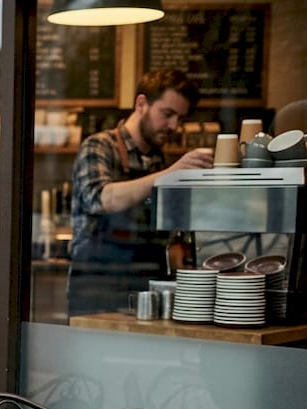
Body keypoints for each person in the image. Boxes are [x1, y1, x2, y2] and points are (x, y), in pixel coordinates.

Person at [67, 68, 213, 317]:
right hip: (95, 289)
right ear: (142, 103)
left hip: (145, 285)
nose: (174, 126)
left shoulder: (157, 160)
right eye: (167, 114)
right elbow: (99, 199)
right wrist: (170, 174)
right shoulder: (99, 146)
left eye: (181, 118)